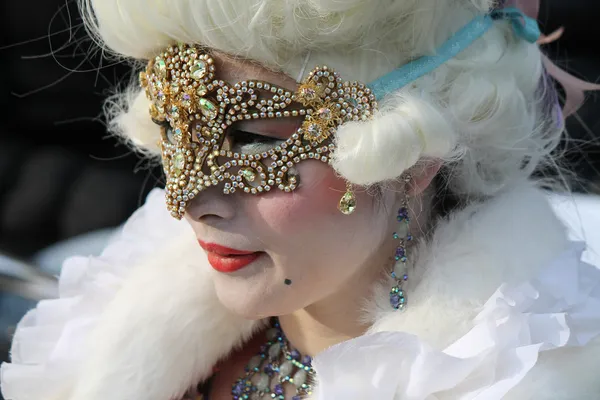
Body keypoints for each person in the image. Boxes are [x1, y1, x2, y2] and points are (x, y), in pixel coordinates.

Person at [2, 0, 600, 399]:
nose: (189, 200)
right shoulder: (111, 320)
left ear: (413, 155)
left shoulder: (526, 377)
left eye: (255, 142)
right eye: (175, 133)